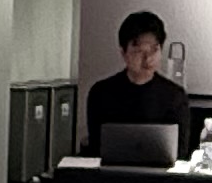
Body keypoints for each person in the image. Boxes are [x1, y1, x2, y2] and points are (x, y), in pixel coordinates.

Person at [81, 10, 192, 145]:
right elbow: (96, 146)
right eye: (139, 51)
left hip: (161, 166)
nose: (148, 58)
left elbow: (180, 151)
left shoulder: (175, 97)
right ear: (123, 53)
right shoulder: (101, 93)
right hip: (112, 165)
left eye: (154, 50)